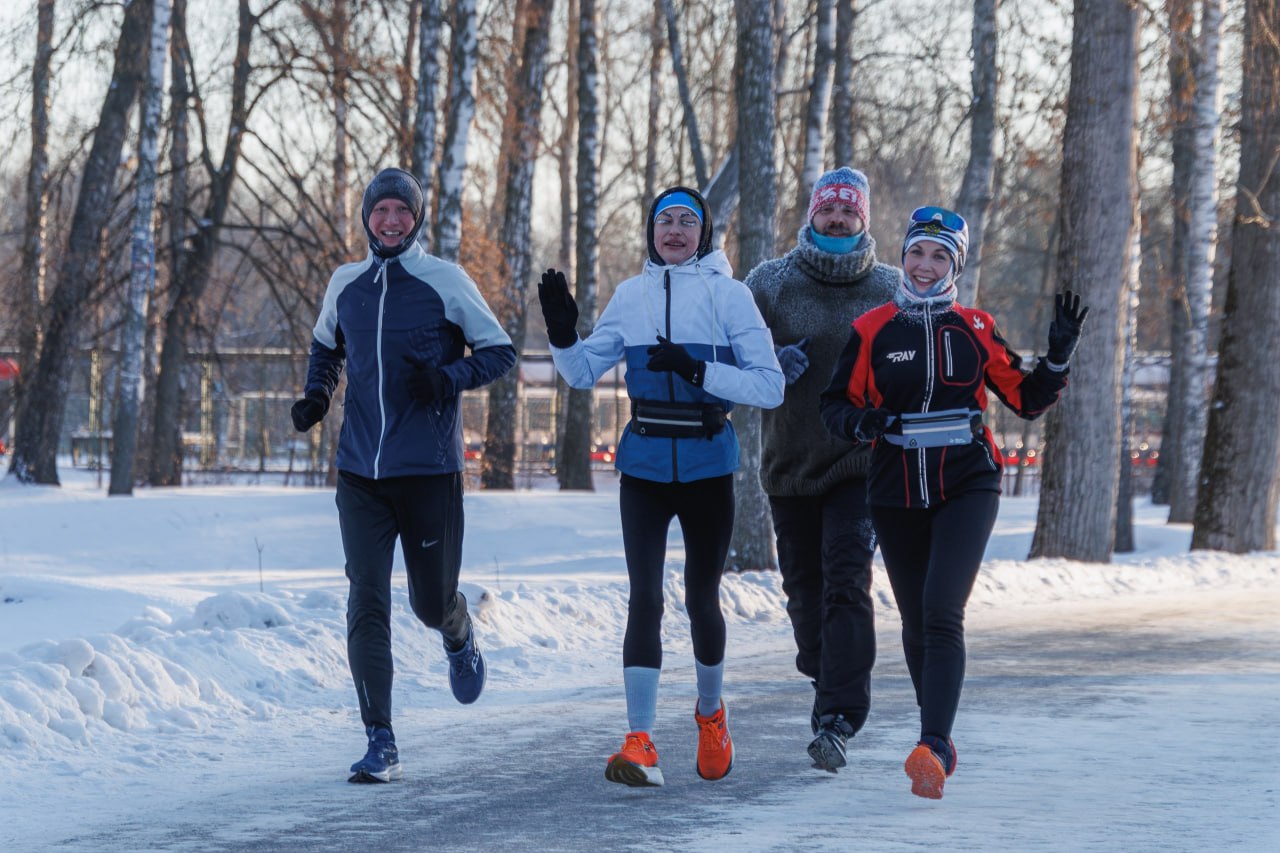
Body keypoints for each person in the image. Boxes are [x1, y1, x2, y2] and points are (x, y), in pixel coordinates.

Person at [819, 206, 1087, 799]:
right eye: (917, 252)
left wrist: (1058, 358)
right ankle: (935, 738)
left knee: (942, 611)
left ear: (955, 265)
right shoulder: (872, 329)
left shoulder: (976, 326)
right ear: (903, 255)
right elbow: (833, 406)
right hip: (894, 488)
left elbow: (1026, 399)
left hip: (968, 482)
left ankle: (934, 745)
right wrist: (862, 423)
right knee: (917, 621)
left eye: (940, 256)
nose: (925, 265)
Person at [537, 186, 784, 788]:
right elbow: (581, 374)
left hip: (707, 464)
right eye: (664, 221)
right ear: (650, 232)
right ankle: (640, 740)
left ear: (704, 233)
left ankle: (710, 715)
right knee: (644, 598)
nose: (674, 230)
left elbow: (770, 385)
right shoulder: (631, 295)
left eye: (686, 221)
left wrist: (699, 370)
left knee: (702, 599)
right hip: (644, 465)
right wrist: (562, 333)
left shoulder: (730, 296)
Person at [291, 168, 517, 784]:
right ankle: (380, 738)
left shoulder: (445, 280)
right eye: (381, 210)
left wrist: (446, 379)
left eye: (402, 211)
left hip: (429, 472)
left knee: (428, 603)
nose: (390, 221)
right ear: (367, 217)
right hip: (359, 471)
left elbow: (499, 352)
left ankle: (458, 629)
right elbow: (326, 347)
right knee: (366, 599)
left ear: (416, 220)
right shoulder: (346, 282)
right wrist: (317, 396)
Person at [743, 167, 898, 772]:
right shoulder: (771, 283)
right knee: (804, 594)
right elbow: (732, 349)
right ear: (812, 215)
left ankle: (839, 717)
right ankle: (825, 677)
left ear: (863, 219)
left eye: (848, 211)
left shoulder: (891, 288)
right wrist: (769, 361)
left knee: (846, 579)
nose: (837, 219)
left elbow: (919, 360)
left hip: (861, 462)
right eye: (828, 210)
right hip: (791, 464)